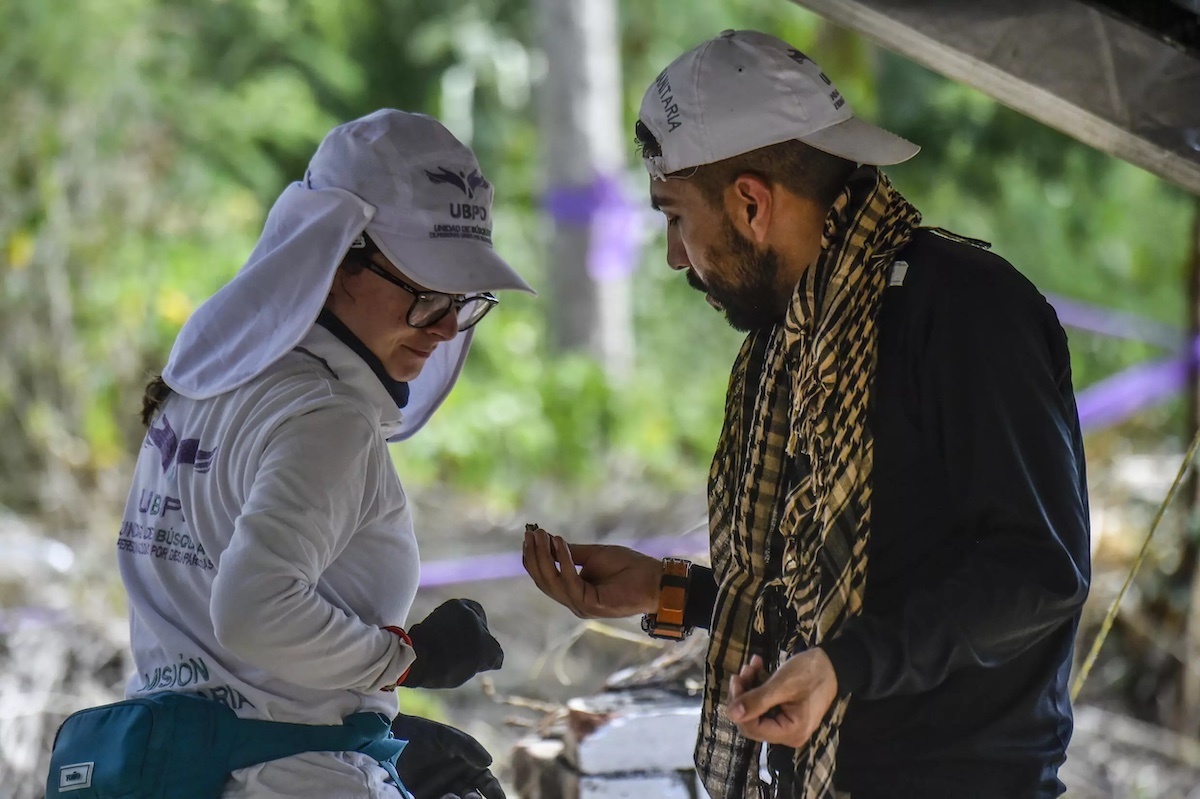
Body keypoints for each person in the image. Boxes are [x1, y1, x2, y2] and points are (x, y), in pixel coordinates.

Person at [523, 30, 1090, 799]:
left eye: (676, 218)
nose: (674, 257)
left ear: (751, 203)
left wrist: (846, 666)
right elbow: (835, 598)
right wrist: (670, 591)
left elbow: (1036, 572)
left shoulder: (966, 312)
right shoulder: (793, 341)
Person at [119, 110, 529, 798]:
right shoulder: (328, 416)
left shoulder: (211, 380)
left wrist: (363, 722)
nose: (447, 325)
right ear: (335, 257)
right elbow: (253, 609)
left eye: (462, 298)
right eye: (427, 293)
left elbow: (217, 650)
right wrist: (404, 661)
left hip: (168, 766)